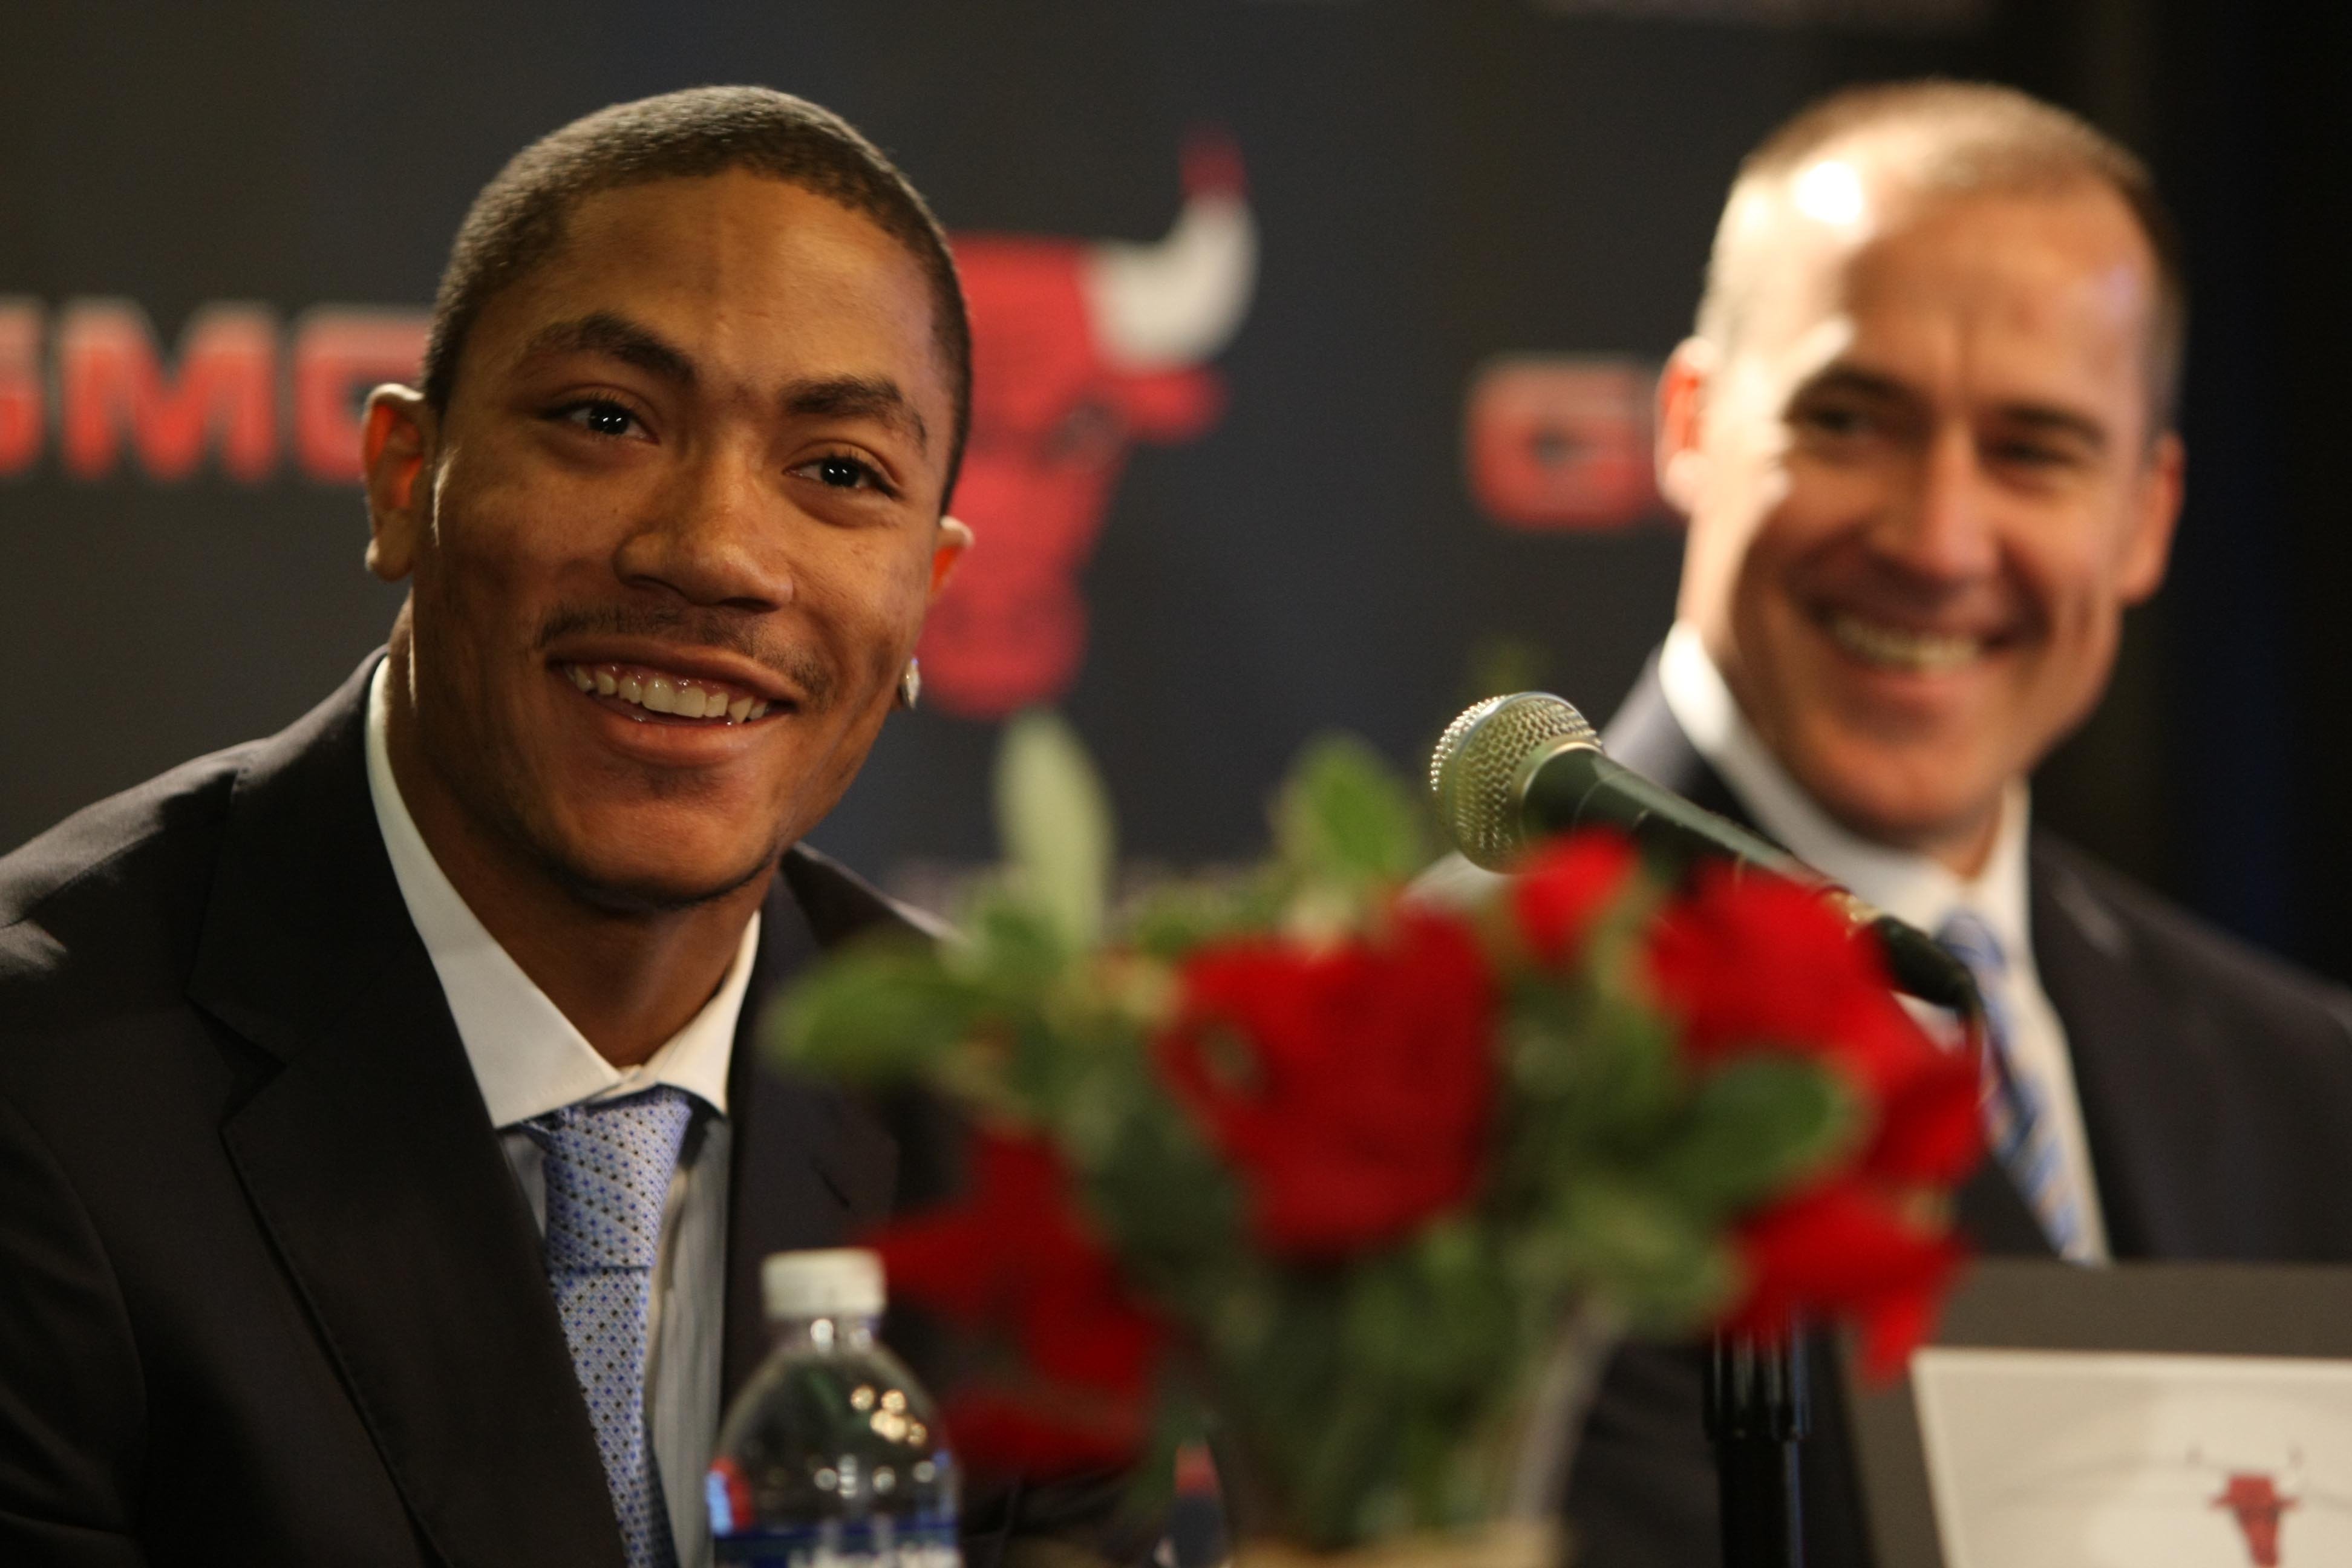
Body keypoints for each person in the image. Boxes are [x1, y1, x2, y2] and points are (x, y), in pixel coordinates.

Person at [0, 87, 1123, 1568]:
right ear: (405, 480)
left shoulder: (1034, 1143)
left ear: (930, 589)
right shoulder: (45, 1090)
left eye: (841, 472)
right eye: (607, 420)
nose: (713, 551)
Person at [1505, 81, 2352, 1565]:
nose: (1937, 540)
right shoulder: (1464, 1041)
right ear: (1690, 424)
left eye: (2035, 450)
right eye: (1850, 421)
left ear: (2146, 518)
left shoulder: (2310, 1085)